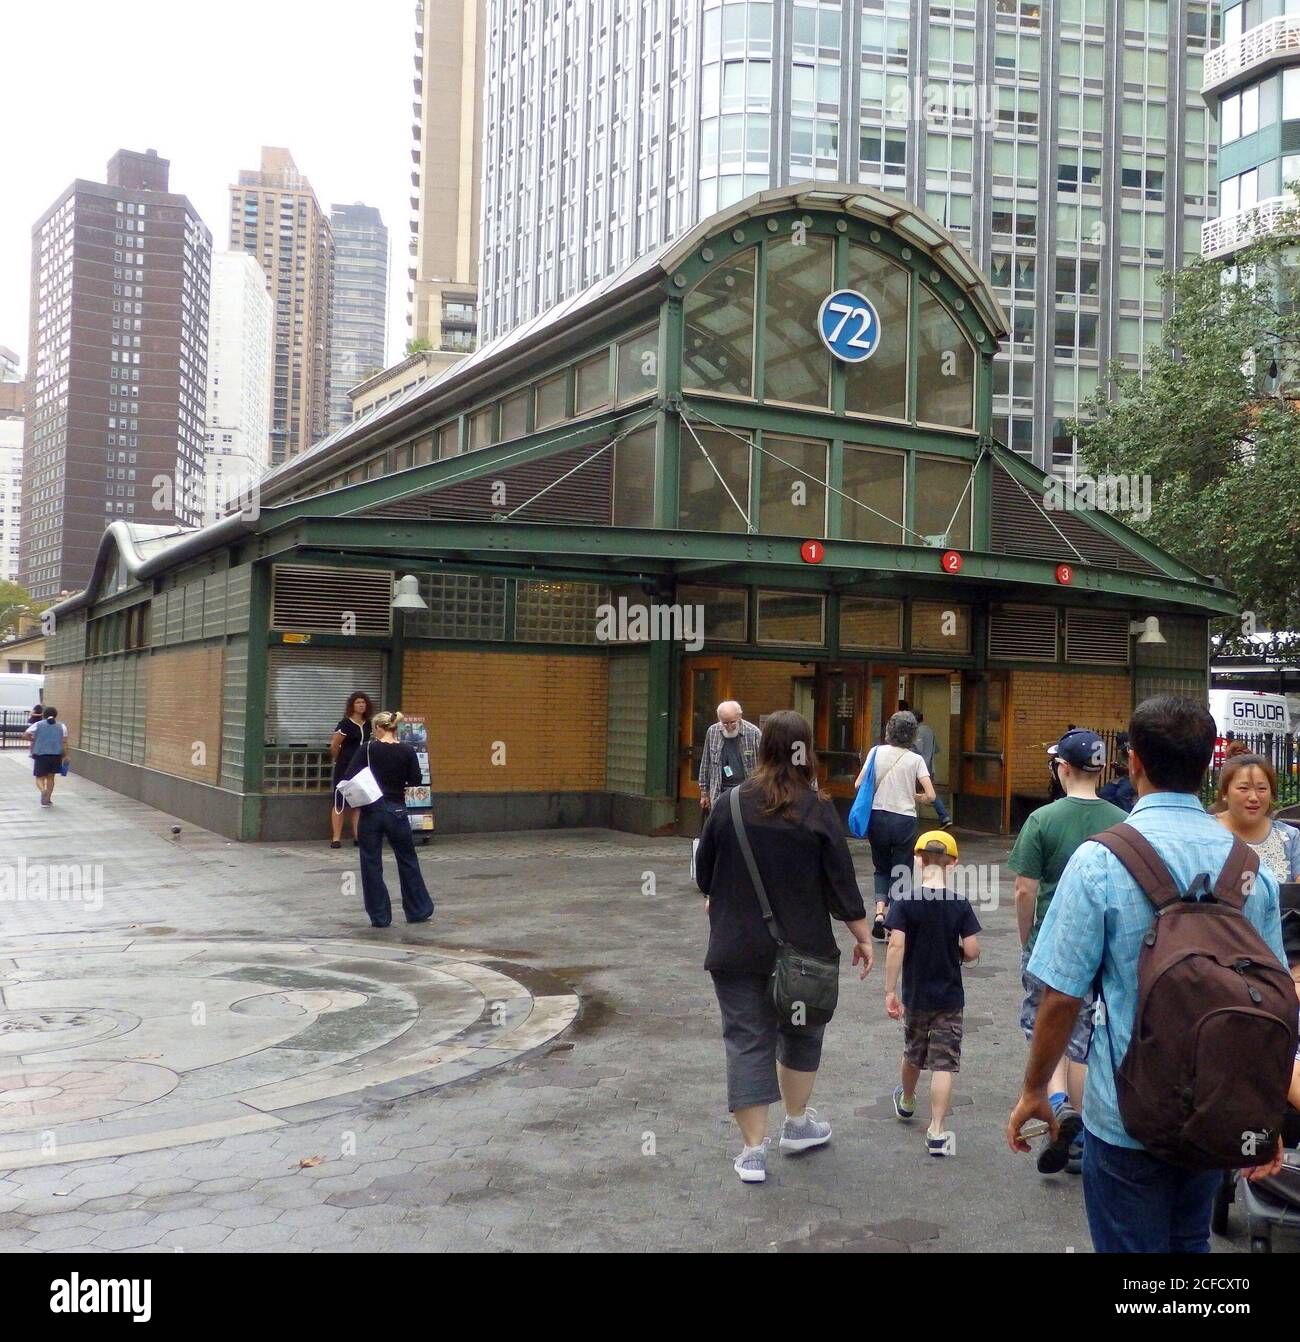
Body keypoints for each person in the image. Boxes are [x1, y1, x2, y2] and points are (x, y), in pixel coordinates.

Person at [1007, 696, 1289, 1253]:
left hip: (1124, 1113)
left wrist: (1036, 1090)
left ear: (1132, 763)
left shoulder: (1101, 860)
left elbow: (1061, 997)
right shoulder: (1249, 867)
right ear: (1211, 764)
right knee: (1189, 1244)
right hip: (1217, 1106)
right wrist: (1266, 1110)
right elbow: (1276, 1001)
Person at [695, 710, 875, 1184]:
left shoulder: (729, 805)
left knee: (747, 1038)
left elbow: (703, 874)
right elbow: (841, 882)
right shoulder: (816, 809)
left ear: (760, 748)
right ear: (806, 750)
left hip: (736, 947)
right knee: (801, 1031)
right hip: (804, 950)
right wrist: (862, 936)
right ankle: (797, 1124)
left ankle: (753, 1152)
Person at [1007, 729, 1127, 1176]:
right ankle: (1082, 1130)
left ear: (1063, 768)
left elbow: (1024, 890)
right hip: (1104, 945)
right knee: (1084, 1039)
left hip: (1052, 943)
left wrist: (1027, 940)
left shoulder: (1042, 819)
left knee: (1048, 1025)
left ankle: (1057, 1107)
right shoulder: (1122, 818)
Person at [884, 830, 981, 1157]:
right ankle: (937, 1130)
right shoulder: (959, 904)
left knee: (913, 1052)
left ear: (917, 860)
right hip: (950, 999)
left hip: (915, 996)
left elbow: (896, 945)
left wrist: (889, 990)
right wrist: (963, 954)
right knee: (944, 1062)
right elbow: (971, 948)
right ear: (953, 864)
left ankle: (908, 1099)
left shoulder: (905, 901)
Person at [341, 710, 434, 928]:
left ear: (379, 728)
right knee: (407, 859)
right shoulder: (407, 750)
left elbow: (349, 776)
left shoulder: (368, 749)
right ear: (395, 728)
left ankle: (380, 916)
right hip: (397, 810)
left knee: (371, 862)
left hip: (371, 810)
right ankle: (418, 910)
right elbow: (415, 779)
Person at [855, 710, 936, 941]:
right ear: (912, 734)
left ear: (889, 729)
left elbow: (859, 783)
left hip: (877, 816)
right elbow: (930, 795)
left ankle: (879, 913)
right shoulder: (916, 760)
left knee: (881, 867)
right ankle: (895, 923)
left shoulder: (875, 752)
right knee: (901, 869)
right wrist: (915, 796)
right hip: (904, 819)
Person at [1212, 752, 1300, 886]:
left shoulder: (1290, 838)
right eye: (1243, 788)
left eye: (1262, 789)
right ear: (1225, 792)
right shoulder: (1205, 831)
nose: (1253, 797)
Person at [698, 700, 761, 813]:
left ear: (740, 716)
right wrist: (704, 792)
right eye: (725, 723)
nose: (729, 726)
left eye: (733, 722)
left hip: (745, 790)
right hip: (719, 791)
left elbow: (763, 763)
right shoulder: (713, 731)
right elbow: (705, 762)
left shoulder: (754, 733)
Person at [329, 691, 374, 849]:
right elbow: (335, 745)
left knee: (358, 802)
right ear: (352, 705)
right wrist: (338, 759)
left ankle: (357, 836)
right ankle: (336, 838)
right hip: (345, 766)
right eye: (358, 702)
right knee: (339, 801)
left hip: (362, 768)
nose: (361, 705)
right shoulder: (345, 724)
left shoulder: (369, 724)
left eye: (363, 702)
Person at [912, 712, 952, 830]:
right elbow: (936, 749)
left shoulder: (919, 731)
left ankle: (910, 819)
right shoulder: (929, 730)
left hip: (919, 768)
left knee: (908, 790)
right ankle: (944, 817)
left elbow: (917, 748)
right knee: (931, 793)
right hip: (930, 766)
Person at [24, 707, 68, 807]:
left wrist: (34, 740)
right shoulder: (62, 726)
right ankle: (48, 799)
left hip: (41, 755)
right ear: (56, 715)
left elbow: (25, 735)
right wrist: (66, 755)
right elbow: (64, 742)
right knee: (51, 778)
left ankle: (43, 791)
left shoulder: (37, 724)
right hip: (56, 755)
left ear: (44, 715)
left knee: (39, 777)